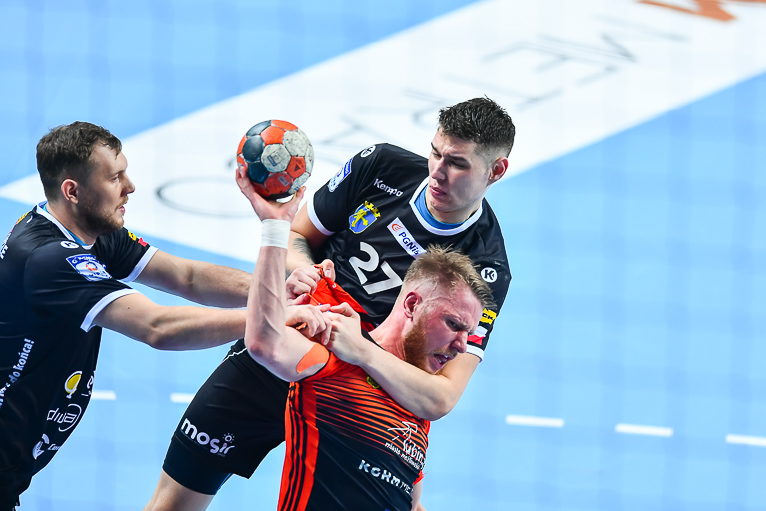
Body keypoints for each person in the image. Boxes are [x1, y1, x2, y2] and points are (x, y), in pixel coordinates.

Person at [146, 97, 515, 509]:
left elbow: (441, 396)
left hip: (359, 397)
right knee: (172, 503)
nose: (438, 172)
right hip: (293, 343)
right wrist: (305, 269)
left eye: (458, 164)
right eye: (435, 153)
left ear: (496, 170)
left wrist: (362, 351)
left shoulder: (487, 266)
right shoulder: (382, 167)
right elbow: (297, 236)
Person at [0, 122, 258, 510]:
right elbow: (158, 327)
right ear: (73, 191)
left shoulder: (88, 231)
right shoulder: (49, 259)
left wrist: (274, 288)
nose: (130, 187)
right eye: (114, 177)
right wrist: (268, 318)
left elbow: (186, 276)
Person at [239, 171, 493, 510]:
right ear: (412, 305)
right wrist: (274, 230)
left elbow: (411, 503)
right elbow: (263, 342)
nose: (462, 346)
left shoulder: (417, 397)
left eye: (467, 332)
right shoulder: (335, 354)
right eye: (453, 325)